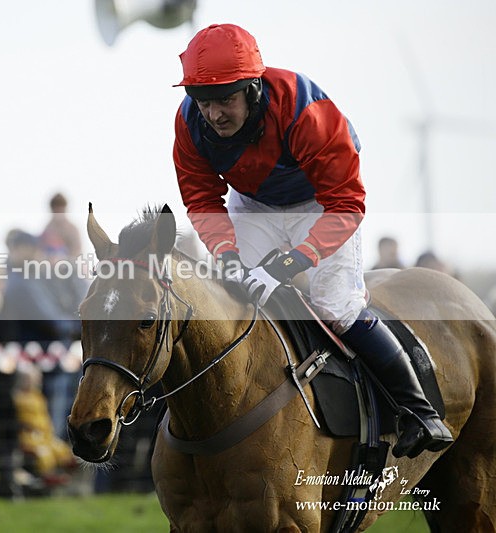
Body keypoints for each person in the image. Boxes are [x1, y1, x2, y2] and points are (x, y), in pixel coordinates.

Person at [171, 23, 452, 458]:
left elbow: (347, 204)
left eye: (226, 100)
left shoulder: (305, 111)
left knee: (336, 307)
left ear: (253, 89)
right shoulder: (189, 122)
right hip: (255, 202)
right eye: (204, 102)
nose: (214, 114)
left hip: (321, 203)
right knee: (233, 294)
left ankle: (419, 411)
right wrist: (227, 255)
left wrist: (288, 264)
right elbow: (202, 198)